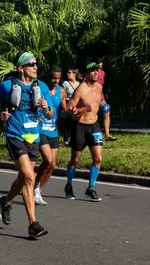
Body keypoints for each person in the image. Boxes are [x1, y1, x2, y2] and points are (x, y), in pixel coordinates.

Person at [0, 52, 48, 239]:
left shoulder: (42, 87)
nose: (35, 67)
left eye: (36, 64)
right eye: (31, 64)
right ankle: (33, 224)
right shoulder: (7, 85)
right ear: (21, 68)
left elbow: (49, 114)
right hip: (15, 134)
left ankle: (5, 202)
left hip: (34, 136)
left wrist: (47, 107)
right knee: (30, 177)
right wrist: (2, 113)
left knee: (24, 178)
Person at [65, 61, 105, 202]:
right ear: (86, 74)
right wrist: (82, 110)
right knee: (75, 159)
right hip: (79, 126)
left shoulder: (99, 87)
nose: (95, 73)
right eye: (92, 71)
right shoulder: (80, 89)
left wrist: (103, 105)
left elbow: (98, 103)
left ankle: (91, 188)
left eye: (97, 71)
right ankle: (69, 185)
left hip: (94, 126)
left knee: (98, 158)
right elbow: (70, 109)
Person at [33, 65, 66, 206]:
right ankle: (33, 187)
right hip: (40, 129)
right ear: (48, 76)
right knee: (48, 160)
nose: (56, 80)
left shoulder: (62, 91)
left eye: (58, 78)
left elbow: (64, 108)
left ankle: (37, 190)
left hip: (53, 130)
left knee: (52, 165)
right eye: (53, 77)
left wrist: (71, 111)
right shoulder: (40, 88)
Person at [97, 58, 117, 141]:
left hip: (100, 97)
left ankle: (107, 134)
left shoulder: (102, 73)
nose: (100, 68)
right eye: (98, 66)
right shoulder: (90, 73)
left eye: (101, 66)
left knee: (106, 108)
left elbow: (101, 86)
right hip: (91, 97)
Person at [60, 68, 81, 146]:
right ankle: (66, 140)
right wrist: (64, 107)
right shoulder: (65, 83)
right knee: (68, 123)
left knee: (76, 123)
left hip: (77, 105)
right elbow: (63, 96)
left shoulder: (79, 83)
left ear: (74, 74)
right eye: (67, 73)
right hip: (68, 103)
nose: (68, 74)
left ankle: (75, 139)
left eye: (70, 72)